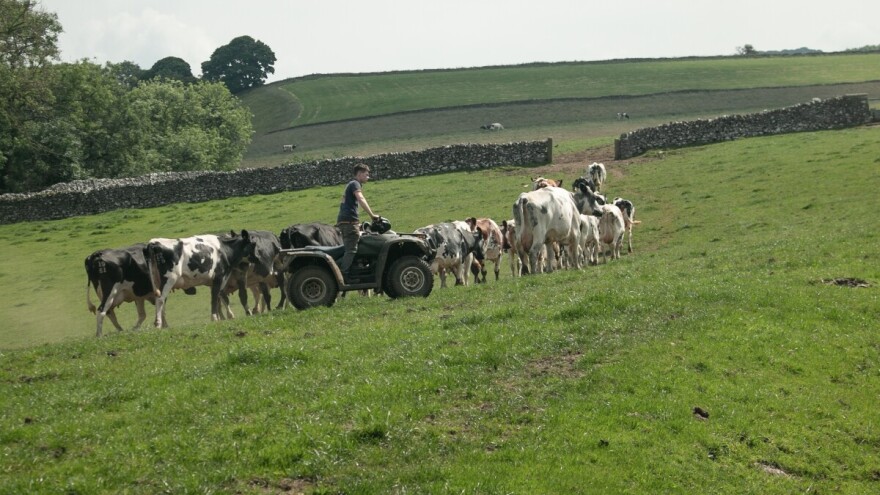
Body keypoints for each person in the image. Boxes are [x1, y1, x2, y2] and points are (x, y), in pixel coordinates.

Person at [336, 163, 379, 277]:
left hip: (345, 221)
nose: (368, 177)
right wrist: (372, 215)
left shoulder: (350, 184)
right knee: (351, 250)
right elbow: (360, 198)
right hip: (349, 222)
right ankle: (342, 275)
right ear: (359, 174)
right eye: (366, 174)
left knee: (349, 248)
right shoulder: (355, 184)